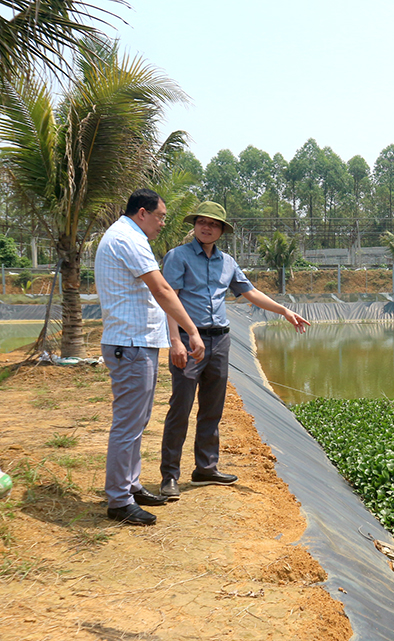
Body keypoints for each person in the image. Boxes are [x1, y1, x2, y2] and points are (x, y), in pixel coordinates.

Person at [159, 201, 309, 500]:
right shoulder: (178, 257)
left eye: (213, 224)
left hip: (220, 341)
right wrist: (175, 341)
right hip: (191, 341)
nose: (206, 227)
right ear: (195, 225)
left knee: (212, 407)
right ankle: (169, 476)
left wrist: (284, 311)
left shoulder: (227, 262)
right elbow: (169, 300)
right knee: (181, 407)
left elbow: (249, 292)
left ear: (221, 231)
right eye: (202, 221)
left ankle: (205, 468)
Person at [95, 188, 206, 526]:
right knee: (128, 424)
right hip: (129, 345)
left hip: (135, 344)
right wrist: (192, 330)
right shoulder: (128, 239)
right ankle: (118, 499)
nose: (162, 223)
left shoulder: (126, 236)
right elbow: (161, 289)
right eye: (160, 216)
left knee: (137, 421)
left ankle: (130, 485)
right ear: (142, 213)